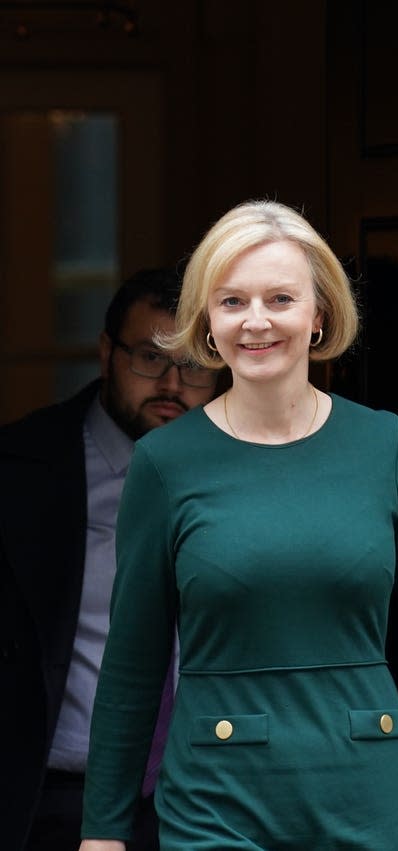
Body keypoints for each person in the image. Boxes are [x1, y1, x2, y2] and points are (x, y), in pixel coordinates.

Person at [79, 201, 398, 851]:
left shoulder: (384, 443)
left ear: (319, 314)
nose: (257, 321)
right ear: (207, 323)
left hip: (370, 790)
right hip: (217, 798)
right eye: (233, 301)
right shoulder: (165, 462)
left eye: (280, 297)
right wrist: (103, 831)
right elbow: (134, 659)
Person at [0, 267, 218, 851]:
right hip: (56, 802)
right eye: (150, 357)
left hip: (205, 803)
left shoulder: (242, 472)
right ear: (106, 354)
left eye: (195, 362)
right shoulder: (20, 470)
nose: (173, 384)